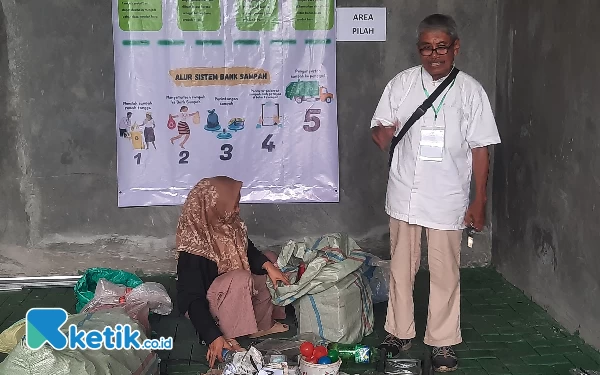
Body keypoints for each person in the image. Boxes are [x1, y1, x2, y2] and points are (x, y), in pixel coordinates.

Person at [370, 14, 501, 372]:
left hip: (447, 198)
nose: (434, 54)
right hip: (404, 194)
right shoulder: (402, 84)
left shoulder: (470, 91)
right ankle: (398, 332)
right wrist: (381, 135)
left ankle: (442, 341)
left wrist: (479, 200)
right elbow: (379, 127)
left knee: (445, 272)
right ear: (419, 49)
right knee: (400, 268)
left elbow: (480, 148)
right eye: (427, 47)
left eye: (441, 46)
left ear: (455, 48)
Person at [175, 176, 290, 368]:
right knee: (240, 278)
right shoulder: (193, 245)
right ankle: (228, 335)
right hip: (207, 306)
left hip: (233, 291)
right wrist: (212, 336)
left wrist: (270, 266)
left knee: (268, 259)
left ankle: (260, 326)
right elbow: (191, 298)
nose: (237, 209)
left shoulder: (230, 225)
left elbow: (249, 252)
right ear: (213, 205)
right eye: (234, 205)